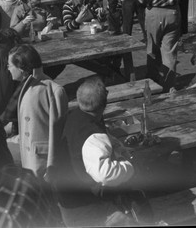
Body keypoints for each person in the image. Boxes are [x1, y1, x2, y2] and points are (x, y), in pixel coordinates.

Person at [55, 76, 136, 227]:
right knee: (135, 215)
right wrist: (128, 167)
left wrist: (116, 145)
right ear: (104, 104)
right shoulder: (93, 135)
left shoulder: (72, 116)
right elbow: (104, 174)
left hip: (66, 198)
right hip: (84, 208)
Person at [7, 44, 68, 182]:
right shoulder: (25, 87)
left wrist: (52, 167)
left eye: (10, 65)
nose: (8, 68)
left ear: (21, 68)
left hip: (42, 163)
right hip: (29, 157)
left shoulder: (53, 90)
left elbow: (56, 132)